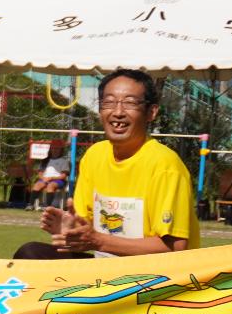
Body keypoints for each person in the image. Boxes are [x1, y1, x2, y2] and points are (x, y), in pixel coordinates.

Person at [15, 69, 197, 259]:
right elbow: (88, 230)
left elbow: (175, 249)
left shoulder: (166, 166)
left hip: (153, 277)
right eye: (109, 102)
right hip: (105, 269)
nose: (118, 112)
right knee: (30, 253)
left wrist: (98, 241)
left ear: (151, 112)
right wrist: (71, 231)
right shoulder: (95, 155)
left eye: (130, 103)